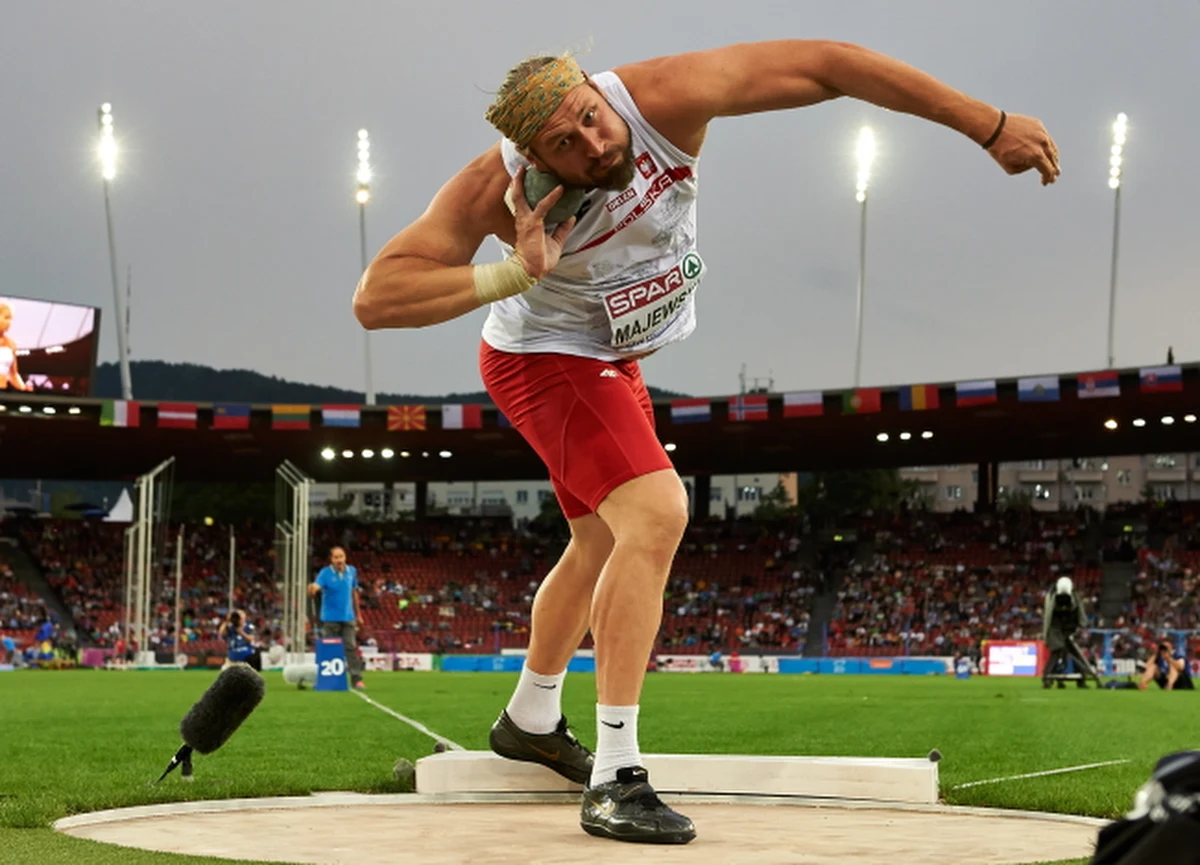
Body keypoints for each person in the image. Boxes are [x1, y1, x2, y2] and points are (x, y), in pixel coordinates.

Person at [352, 40, 1060, 845]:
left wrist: (985, 122)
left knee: (595, 544)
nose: (594, 146)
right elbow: (377, 298)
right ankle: (616, 775)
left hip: (611, 355)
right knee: (657, 513)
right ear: (532, 153)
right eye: (564, 146)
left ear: (596, 90)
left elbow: (827, 64)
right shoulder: (497, 185)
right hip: (544, 357)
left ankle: (530, 716)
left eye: (591, 119)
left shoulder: (662, 98)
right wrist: (515, 271)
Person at [306, 546, 366, 689]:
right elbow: (316, 586)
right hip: (330, 618)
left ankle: (356, 679)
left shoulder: (352, 571)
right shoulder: (325, 573)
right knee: (329, 648)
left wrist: (359, 614)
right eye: (336, 557)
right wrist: (312, 589)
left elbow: (354, 593)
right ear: (331, 559)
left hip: (348, 616)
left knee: (350, 647)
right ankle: (328, 679)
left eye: (342, 556)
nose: (339, 560)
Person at [1041, 576, 1100, 688]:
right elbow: (1048, 618)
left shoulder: (1074, 597)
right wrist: (1047, 635)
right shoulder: (1052, 598)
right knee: (1058, 650)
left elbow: (1079, 612)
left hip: (1069, 628)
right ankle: (1048, 678)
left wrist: (1081, 625)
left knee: (1074, 652)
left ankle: (1080, 679)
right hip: (1056, 628)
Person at [0, 303, 34, 392]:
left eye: (11, 319)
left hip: (3, 391)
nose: (9, 322)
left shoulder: (11, 344)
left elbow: (13, 374)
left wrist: (23, 388)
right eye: (6, 318)